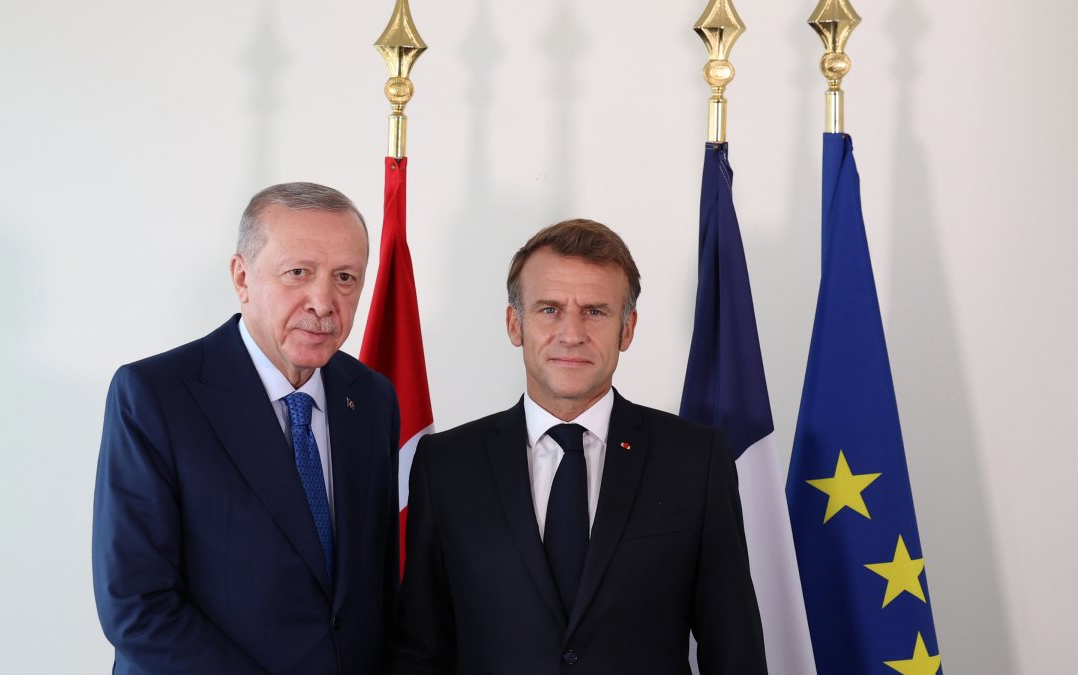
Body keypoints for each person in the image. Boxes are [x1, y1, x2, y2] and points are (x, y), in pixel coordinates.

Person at [389, 219, 767, 674]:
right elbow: (421, 650)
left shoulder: (695, 460)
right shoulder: (446, 465)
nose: (571, 333)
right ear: (515, 324)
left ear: (627, 330)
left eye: (595, 311)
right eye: (549, 309)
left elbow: (734, 649)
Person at [93, 182, 400, 674]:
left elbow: (375, 591)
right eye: (297, 273)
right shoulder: (155, 395)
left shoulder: (371, 397)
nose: (323, 302)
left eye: (345, 277)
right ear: (242, 278)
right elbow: (137, 606)